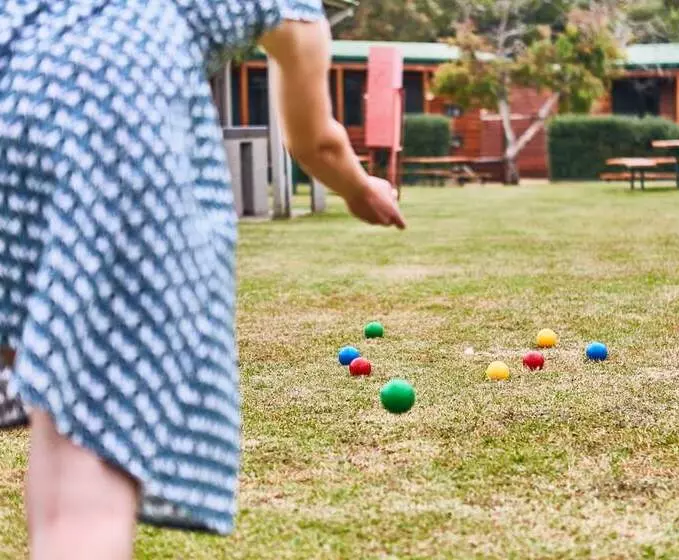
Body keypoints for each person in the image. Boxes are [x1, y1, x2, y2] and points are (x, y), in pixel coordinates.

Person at [0, 1, 405, 558]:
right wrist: (361, 189)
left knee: (54, 400)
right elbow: (316, 140)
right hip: (109, 105)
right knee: (84, 459)